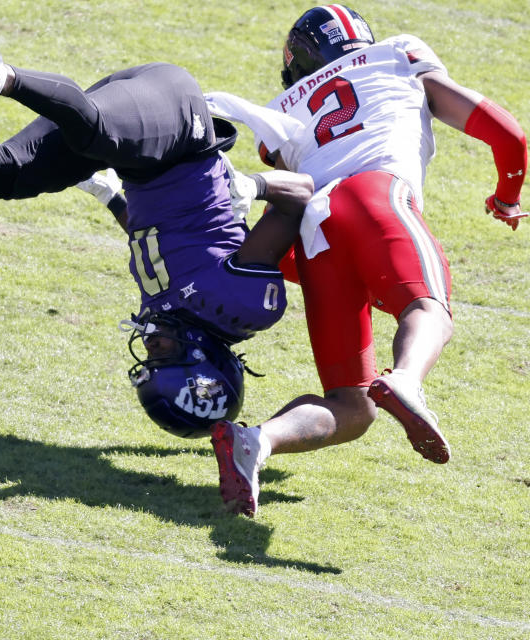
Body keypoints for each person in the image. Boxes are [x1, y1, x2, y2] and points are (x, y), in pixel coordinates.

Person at [0, 35, 313, 441]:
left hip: (135, 152)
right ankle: (2, 76)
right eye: (162, 358)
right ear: (201, 358)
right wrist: (256, 185)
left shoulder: (169, 308)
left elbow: (157, 239)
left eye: (149, 360)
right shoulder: (242, 306)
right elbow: (302, 196)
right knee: (97, 136)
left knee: (10, 175)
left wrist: (109, 197)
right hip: (179, 126)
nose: (150, 347)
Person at [202, 5, 528, 516]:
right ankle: (407, 379)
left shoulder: (283, 108)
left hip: (315, 232)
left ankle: (254, 443)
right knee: (429, 310)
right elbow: (509, 136)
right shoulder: (396, 55)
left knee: (352, 405)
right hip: (377, 195)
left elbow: (281, 227)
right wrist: (507, 195)